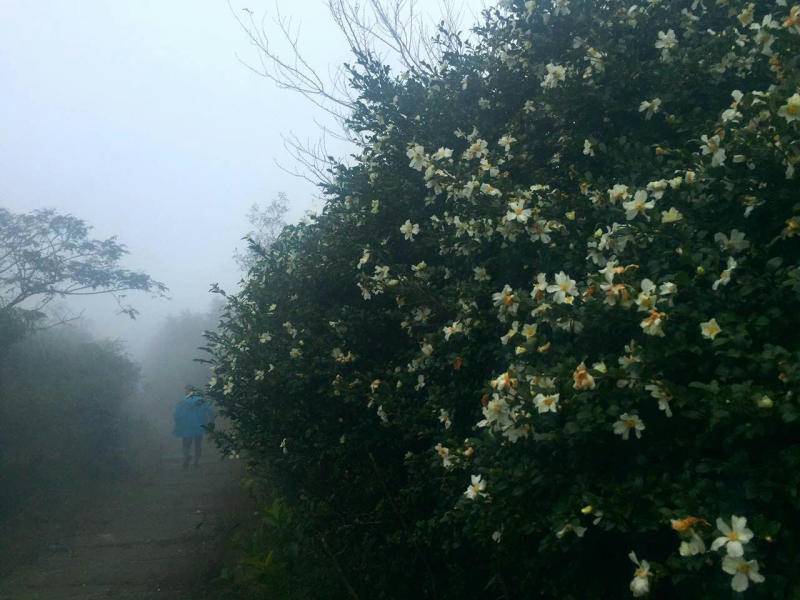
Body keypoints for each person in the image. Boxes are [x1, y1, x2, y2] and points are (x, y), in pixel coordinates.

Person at [173, 385, 215, 468]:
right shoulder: (202, 401)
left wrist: (178, 423)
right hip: (199, 426)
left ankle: (186, 457)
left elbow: (176, 414)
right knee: (198, 444)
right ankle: (196, 461)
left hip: (186, 426)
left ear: (187, 392)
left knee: (186, 444)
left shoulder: (182, 401)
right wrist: (211, 421)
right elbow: (211, 410)